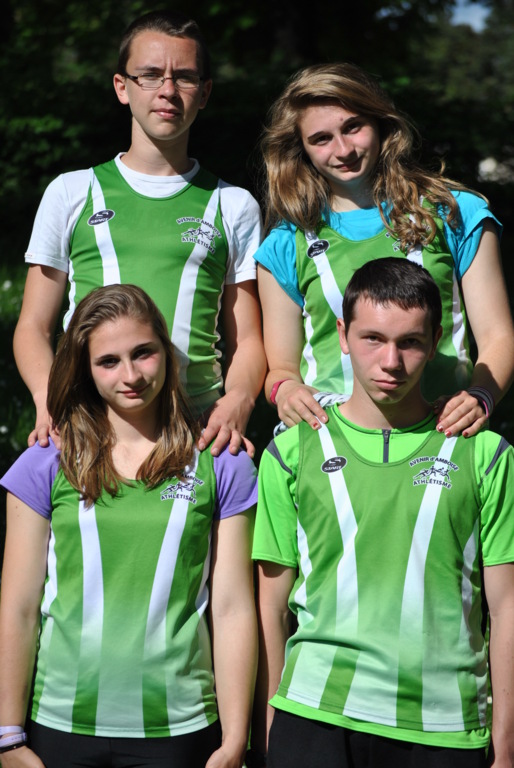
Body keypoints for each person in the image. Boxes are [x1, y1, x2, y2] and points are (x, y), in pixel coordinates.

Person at [250, 259, 514, 768]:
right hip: (312, 717)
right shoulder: (289, 452)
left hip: (444, 727)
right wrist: (269, 729)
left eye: (409, 342)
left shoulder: (486, 454)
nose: (390, 361)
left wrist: (505, 747)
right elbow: (271, 608)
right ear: (342, 335)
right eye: (373, 338)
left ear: (435, 342)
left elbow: (506, 610)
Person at [0, 284, 257, 768]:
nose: (132, 375)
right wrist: (8, 737)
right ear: (84, 369)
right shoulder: (45, 462)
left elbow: (232, 609)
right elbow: (18, 607)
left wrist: (234, 739)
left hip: (181, 728)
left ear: (168, 353)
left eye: (143, 353)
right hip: (58, 725)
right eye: (108, 362)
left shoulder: (223, 463)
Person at [14, 10, 265, 458]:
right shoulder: (71, 191)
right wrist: (48, 398)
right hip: (89, 425)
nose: (168, 90)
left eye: (184, 77)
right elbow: (33, 325)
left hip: (196, 429)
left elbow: (247, 338)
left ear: (204, 92)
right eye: (150, 75)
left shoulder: (234, 204)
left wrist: (239, 401)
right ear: (121, 87)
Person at [255, 62, 514, 438]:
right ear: (301, 149)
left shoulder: (456, 212)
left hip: (444, 437)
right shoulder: (284, 243)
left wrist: (479, 398)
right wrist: (285, 391)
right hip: (331, 445)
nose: (343, 149)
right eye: (321, 139)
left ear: (380, 123)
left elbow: (498, 338)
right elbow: (280, 370)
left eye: (353, 127)